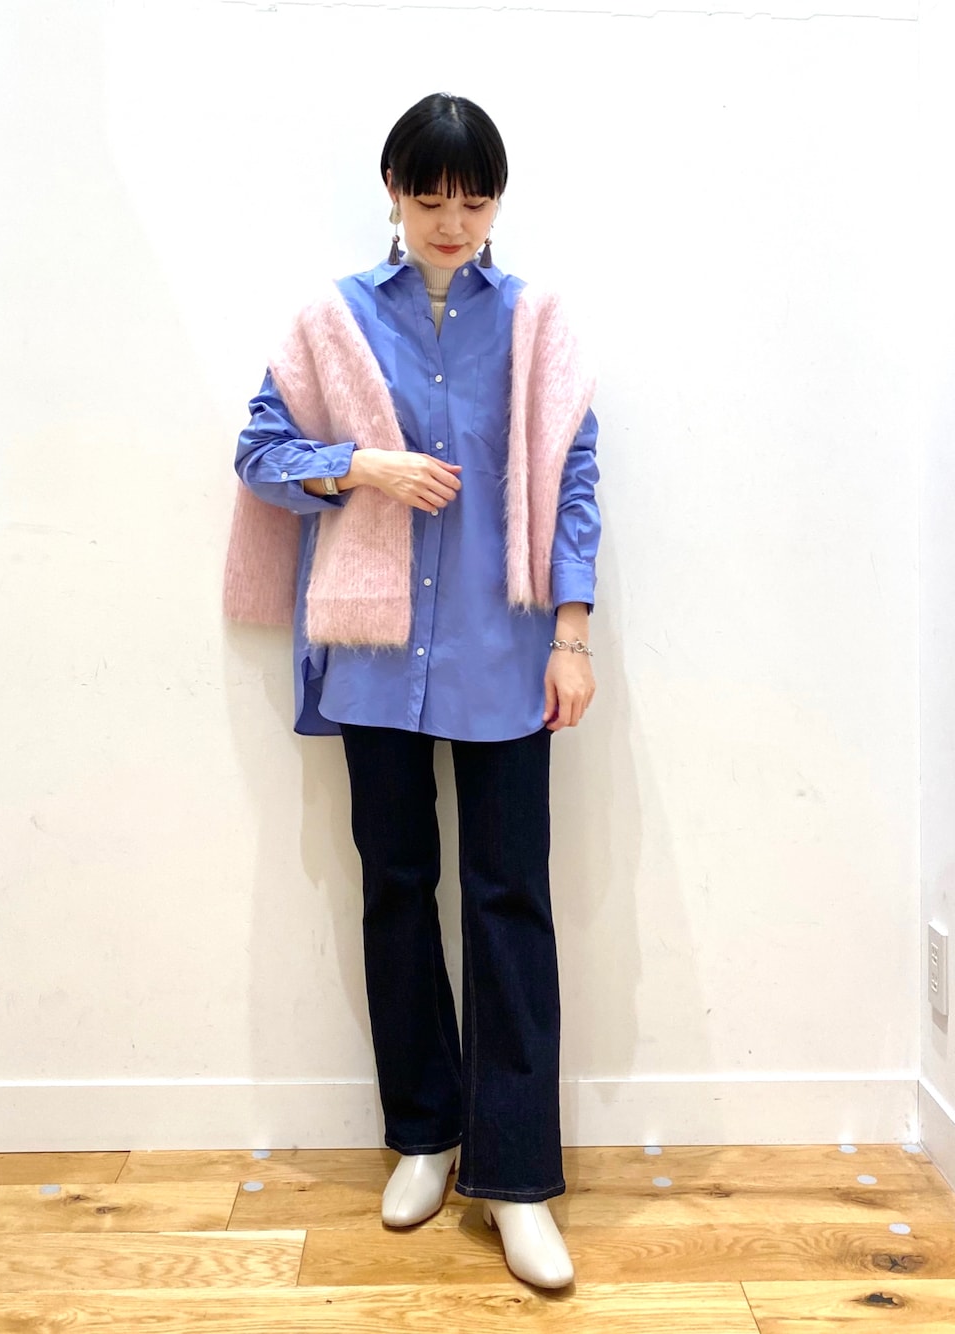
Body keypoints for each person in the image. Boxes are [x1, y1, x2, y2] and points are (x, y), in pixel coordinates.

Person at [225, 92, 601, 1289]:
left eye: (473, 199)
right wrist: (361, 465)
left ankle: (518, 1176)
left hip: (505, 651)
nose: (451, 220)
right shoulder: (333, 320)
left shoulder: (536, 322)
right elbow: (259, 453)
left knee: (509, 900)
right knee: (396, 890)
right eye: (429, 196)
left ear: (496, 202)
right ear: (392, 190)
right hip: (376, 654)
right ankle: (425, 1134)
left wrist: (573, 633)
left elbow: (575, 475)